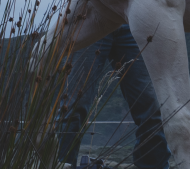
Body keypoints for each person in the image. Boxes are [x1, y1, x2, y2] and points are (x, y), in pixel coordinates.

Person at [57, 26, 170, 169]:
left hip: (129, 23)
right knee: (73, 106)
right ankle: (61, 164)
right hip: (92, 18)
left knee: (151, 105)